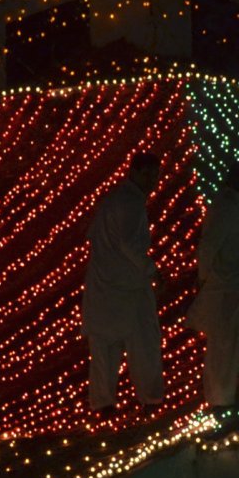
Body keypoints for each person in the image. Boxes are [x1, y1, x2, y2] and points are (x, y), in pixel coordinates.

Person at [84, 156, 163, 413]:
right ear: (136, 172)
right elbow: (128, 244)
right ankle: (149, 399)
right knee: (144, 344)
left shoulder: (114, 200)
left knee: (105, 348)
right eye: (150, 174)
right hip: (128, 287)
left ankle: (103, 402)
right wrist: (151, 269)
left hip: (104, 285)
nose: (153, 181)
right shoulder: (130, 203)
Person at [188, 160, 239, 413]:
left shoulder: (230, 206)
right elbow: (208, 246)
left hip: (232, 284)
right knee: (223, 345)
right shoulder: (226, 207)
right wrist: (205, 278)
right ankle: (218, 400)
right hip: (225, 286)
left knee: (228, 344)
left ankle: (222, 398)